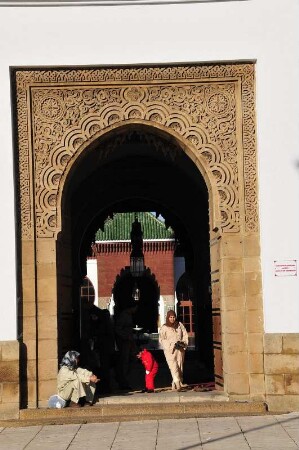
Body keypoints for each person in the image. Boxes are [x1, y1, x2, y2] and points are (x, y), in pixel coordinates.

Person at [159, 310, 188, 391]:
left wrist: (183, 343)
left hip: (180, 349)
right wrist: (170, 346)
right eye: (170, 317)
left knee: (179, 366)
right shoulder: (164, 327)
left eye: (173, 317)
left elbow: (185, 334)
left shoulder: (179, 325)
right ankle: (177, 383)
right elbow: (162, 339)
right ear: (168, 318)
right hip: (170, 350)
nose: (172, 319)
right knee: (173, 366)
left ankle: (175, 383)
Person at [114, 302, 138, 389]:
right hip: (124, 343)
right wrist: (126, 336)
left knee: (129, 361)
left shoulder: (128, 315)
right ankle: (123, 382)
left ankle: (124, 380)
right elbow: (118, 329)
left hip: (128, 342)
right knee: (124, 362)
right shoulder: (124, 315)